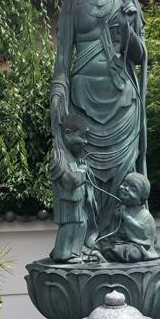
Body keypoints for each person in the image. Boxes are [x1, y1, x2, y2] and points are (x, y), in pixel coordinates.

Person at [50, 0, 147, 246]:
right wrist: (57, 94)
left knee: (123, 175)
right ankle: (87, 239)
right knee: (84, 174)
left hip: (122, 102)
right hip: (82, 103)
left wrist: (128, 30)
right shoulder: (73, 3)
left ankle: (122, 237)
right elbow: (62, 59)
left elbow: (140, 56)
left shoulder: (128, 2)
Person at [50, 113, 97, 263]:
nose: (85, 141)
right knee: (71, 227)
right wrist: (82, 170)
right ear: (68, 134)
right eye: (82, 136)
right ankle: (63, 254)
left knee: (81, 225)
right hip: (67, 203)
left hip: (77, 203)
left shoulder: (73, 156)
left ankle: (73, 253)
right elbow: (70, 181)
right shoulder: (59, 156)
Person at [100, 172, 160, 263]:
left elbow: (145, 236)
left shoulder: (145, 215)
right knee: (104, 243)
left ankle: (110, 251)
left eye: (133, 189)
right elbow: (112, 231)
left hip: (138, 246)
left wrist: (126, 217)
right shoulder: (118, 209)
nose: (126, 189)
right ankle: (109, 251)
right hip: (120, 243)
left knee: (134, 254)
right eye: (125, 184)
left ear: (141, 198)